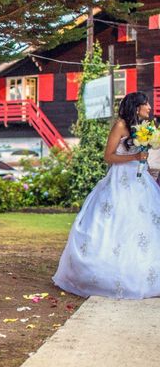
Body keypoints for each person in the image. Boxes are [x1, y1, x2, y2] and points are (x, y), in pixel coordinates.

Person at [52, 91, 160, 299]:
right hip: (119, 180)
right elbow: (108, 157)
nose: (149, 107)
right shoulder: (120, 126)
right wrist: (136, 156)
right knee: (115, 224)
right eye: (146, 104)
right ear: (136, 107)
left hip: (140, 180)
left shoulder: (145, 127)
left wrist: (145, 155)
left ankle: (141, 269)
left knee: (144, 224)